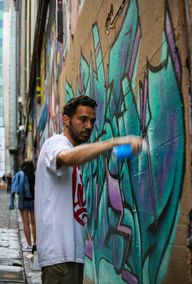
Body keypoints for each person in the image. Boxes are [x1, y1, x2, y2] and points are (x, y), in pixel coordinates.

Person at [35, 95, 142, 284]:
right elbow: (66, 158)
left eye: (92, 121)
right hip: (59, 255)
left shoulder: (70, 149)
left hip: (70, 255)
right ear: (66, 120)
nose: (89, 126)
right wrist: (114, 142)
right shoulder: (56, 142)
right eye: (82, 119)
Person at [10, 160, 36, 252]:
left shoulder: (19, 174)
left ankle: (29, 245)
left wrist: (12, 202)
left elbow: (14, 188)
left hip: (24, 201)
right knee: (33, 224)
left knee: (26, 223)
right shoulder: (34, 175)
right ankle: (35, 244)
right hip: (33, 201)